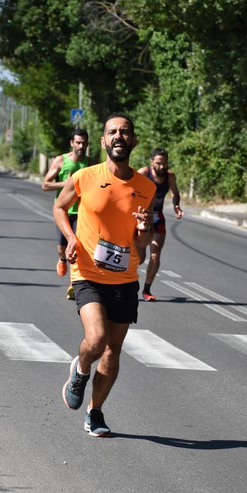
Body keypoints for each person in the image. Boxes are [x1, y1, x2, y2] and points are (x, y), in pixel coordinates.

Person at [53, 113, 156, 437]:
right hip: (86, 271)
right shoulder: (85, 176)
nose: (119, 136)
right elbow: (59, 207)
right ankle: (81, 370)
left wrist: (144, 229)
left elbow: (141, 241)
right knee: (96, 339)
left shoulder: (146, 187)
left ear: (133, 141)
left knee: (113, 350)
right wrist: (71, 239)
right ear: (103, 140)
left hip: (125, 278)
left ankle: (94, 412)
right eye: (112, 132)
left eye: (125, 132)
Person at [43, 128, 94, 299]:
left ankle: (73, 283)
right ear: (72, 143)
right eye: (78, 142)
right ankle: (62, 259)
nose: (81, 146)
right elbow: (46, 185)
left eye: (84, 143)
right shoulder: (61, 160)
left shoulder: (90, 163)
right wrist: (67, 183)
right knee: (62, 248)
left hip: (82, 213)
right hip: (63, 210)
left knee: (78, 247)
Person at [136, 148, 184, 301]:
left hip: (157, 218)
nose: (162, 167)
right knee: (140, 258)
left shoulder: (170, 176)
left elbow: (175, 193)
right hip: (142, 218)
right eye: (158, 163)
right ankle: (125, 282)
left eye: (164, 163)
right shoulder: (144, 173)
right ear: (152, 163)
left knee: (155, 255)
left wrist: (176, 205)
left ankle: (146, 290)